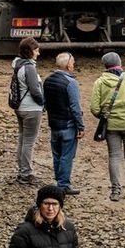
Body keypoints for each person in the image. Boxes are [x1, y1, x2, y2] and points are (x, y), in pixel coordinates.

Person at [90, 52, 125, 202]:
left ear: (105, 65)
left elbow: (94, 108)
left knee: (114, 156)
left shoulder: (100, 82)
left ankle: (115, 191)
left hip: (111, 126)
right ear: (120, 63)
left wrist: (105, 116)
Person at [42, 53, 83, 197]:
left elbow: (44, 102)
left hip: (54, 125)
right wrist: (81, 126)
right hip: (68, 125)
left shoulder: (48, 80)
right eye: (73, 62)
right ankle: (63, 185)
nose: (74, 65)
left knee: (57, 155)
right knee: (66, 156)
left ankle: (59, 181)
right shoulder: (71, 83)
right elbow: (75, 107)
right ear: (68, 65)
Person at [7, 37, 45, 186]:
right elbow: (35, 90)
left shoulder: (18, 65)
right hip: (31, 109)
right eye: (36, 50)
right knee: (28, 142)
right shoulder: (29, 68)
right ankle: (26, 174)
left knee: (22, 140)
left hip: (20, 108)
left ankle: (22, 171)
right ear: (30, 51)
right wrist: (43, 103)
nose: (38, 53)